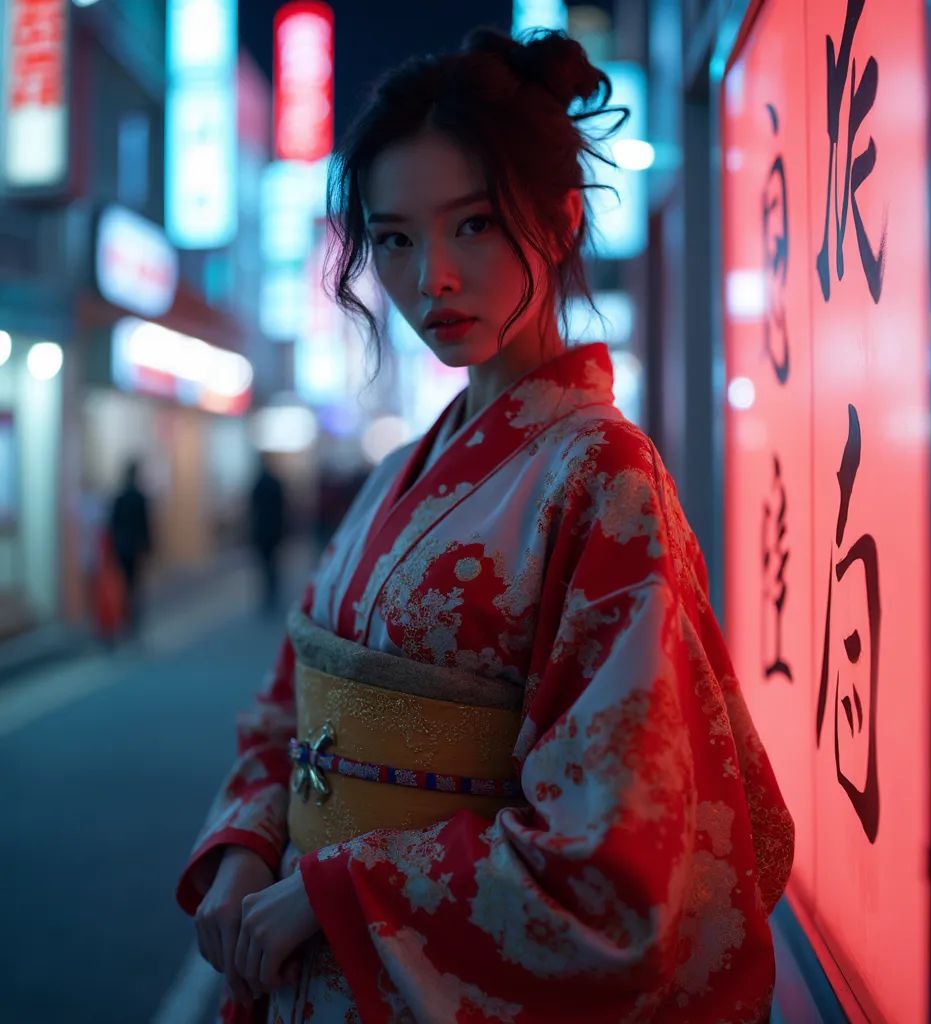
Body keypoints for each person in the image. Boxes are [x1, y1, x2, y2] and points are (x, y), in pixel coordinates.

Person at [177, 27, 794, 1024]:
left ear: (555, 221)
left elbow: (613, 848)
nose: (433, 279)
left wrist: (332, 891)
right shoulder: (392, 476)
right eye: (394, 239)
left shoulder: (602, 477)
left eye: (472, 225)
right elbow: (287, 707)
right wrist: (248, 848)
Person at [108, 459, 151, 638]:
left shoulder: (119, 498)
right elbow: (145, 525)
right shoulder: (139, 498)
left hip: (121, 547)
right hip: (134, 547)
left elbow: (113, 524)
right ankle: (132, 620)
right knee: (133, 584)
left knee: (124, 583)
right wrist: (148, 546)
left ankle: (126, 618)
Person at [249, 455, 287, 613]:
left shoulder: (256, 484)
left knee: (265, 564)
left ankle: (268, 593)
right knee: (273, 563)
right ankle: (273, 591)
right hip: (274, 530)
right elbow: (283, 508)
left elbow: (252, 510)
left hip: (261, 530)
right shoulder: (276, 483)